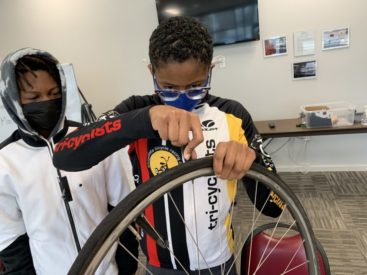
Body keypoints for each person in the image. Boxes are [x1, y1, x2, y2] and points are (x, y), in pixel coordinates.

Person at [53, 16, 283, 274]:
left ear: (210, 70)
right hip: (160, 263)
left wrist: (251, 162)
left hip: (219, 259)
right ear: (152, 72)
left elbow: (274, 205)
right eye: (169, 88)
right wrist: (143, 120)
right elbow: (64, 155)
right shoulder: (136, 110)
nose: (183, 99)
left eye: (196, 86)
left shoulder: (233, 115)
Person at [0, 48, 138, 275]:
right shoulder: (5, 161)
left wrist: (126, 268)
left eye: (54, 93)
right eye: (34, 98)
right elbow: (11, 242)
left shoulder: (96, 139)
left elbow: (123, 211)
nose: (46, 102)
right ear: (13, 101)